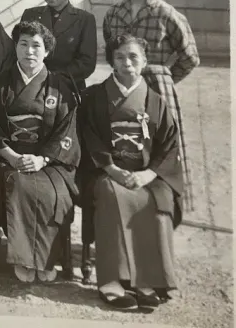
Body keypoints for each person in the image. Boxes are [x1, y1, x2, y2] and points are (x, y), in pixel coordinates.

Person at [80, 34, 183, 312]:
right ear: (111, 61)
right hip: (106, 171)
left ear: (145, 61)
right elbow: (88, 136)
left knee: (159, 200)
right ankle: (111, 282)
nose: (127, 63)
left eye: (134, 57)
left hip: (146, 172)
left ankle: (146, 282)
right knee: (113, 196)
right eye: (120, 57)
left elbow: (169, 145)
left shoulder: (156, 101)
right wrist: (112, 168)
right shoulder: (95, 96)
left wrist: (149, 174)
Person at [0, 20, 80, 284]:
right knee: (18, 186)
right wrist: (13, 157)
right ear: (15, 47)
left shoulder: (61, 87)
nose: (29, 51)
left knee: (51, 192)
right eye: (23, 44)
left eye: (37, 45)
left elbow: (67, 130)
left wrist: (42, 158)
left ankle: (45, 259)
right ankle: (26, 259)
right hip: (6, 158)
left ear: (47, 51)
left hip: (49, 161)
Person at [102, 0, 199, 209]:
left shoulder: (166, 13)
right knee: (123, 142)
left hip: (156, 89)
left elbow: (190, 57)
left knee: (159, 145)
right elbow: (111, 51)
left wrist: (163, 78)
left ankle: (166, 205)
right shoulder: (113, 14)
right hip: (121, 87)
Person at [21, 0, 97, 96]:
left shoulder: (84, 19)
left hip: (69, 89)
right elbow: (20, 52)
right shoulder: (30, 15)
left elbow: (87, 63)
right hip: (32, 88)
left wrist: (52, 78)